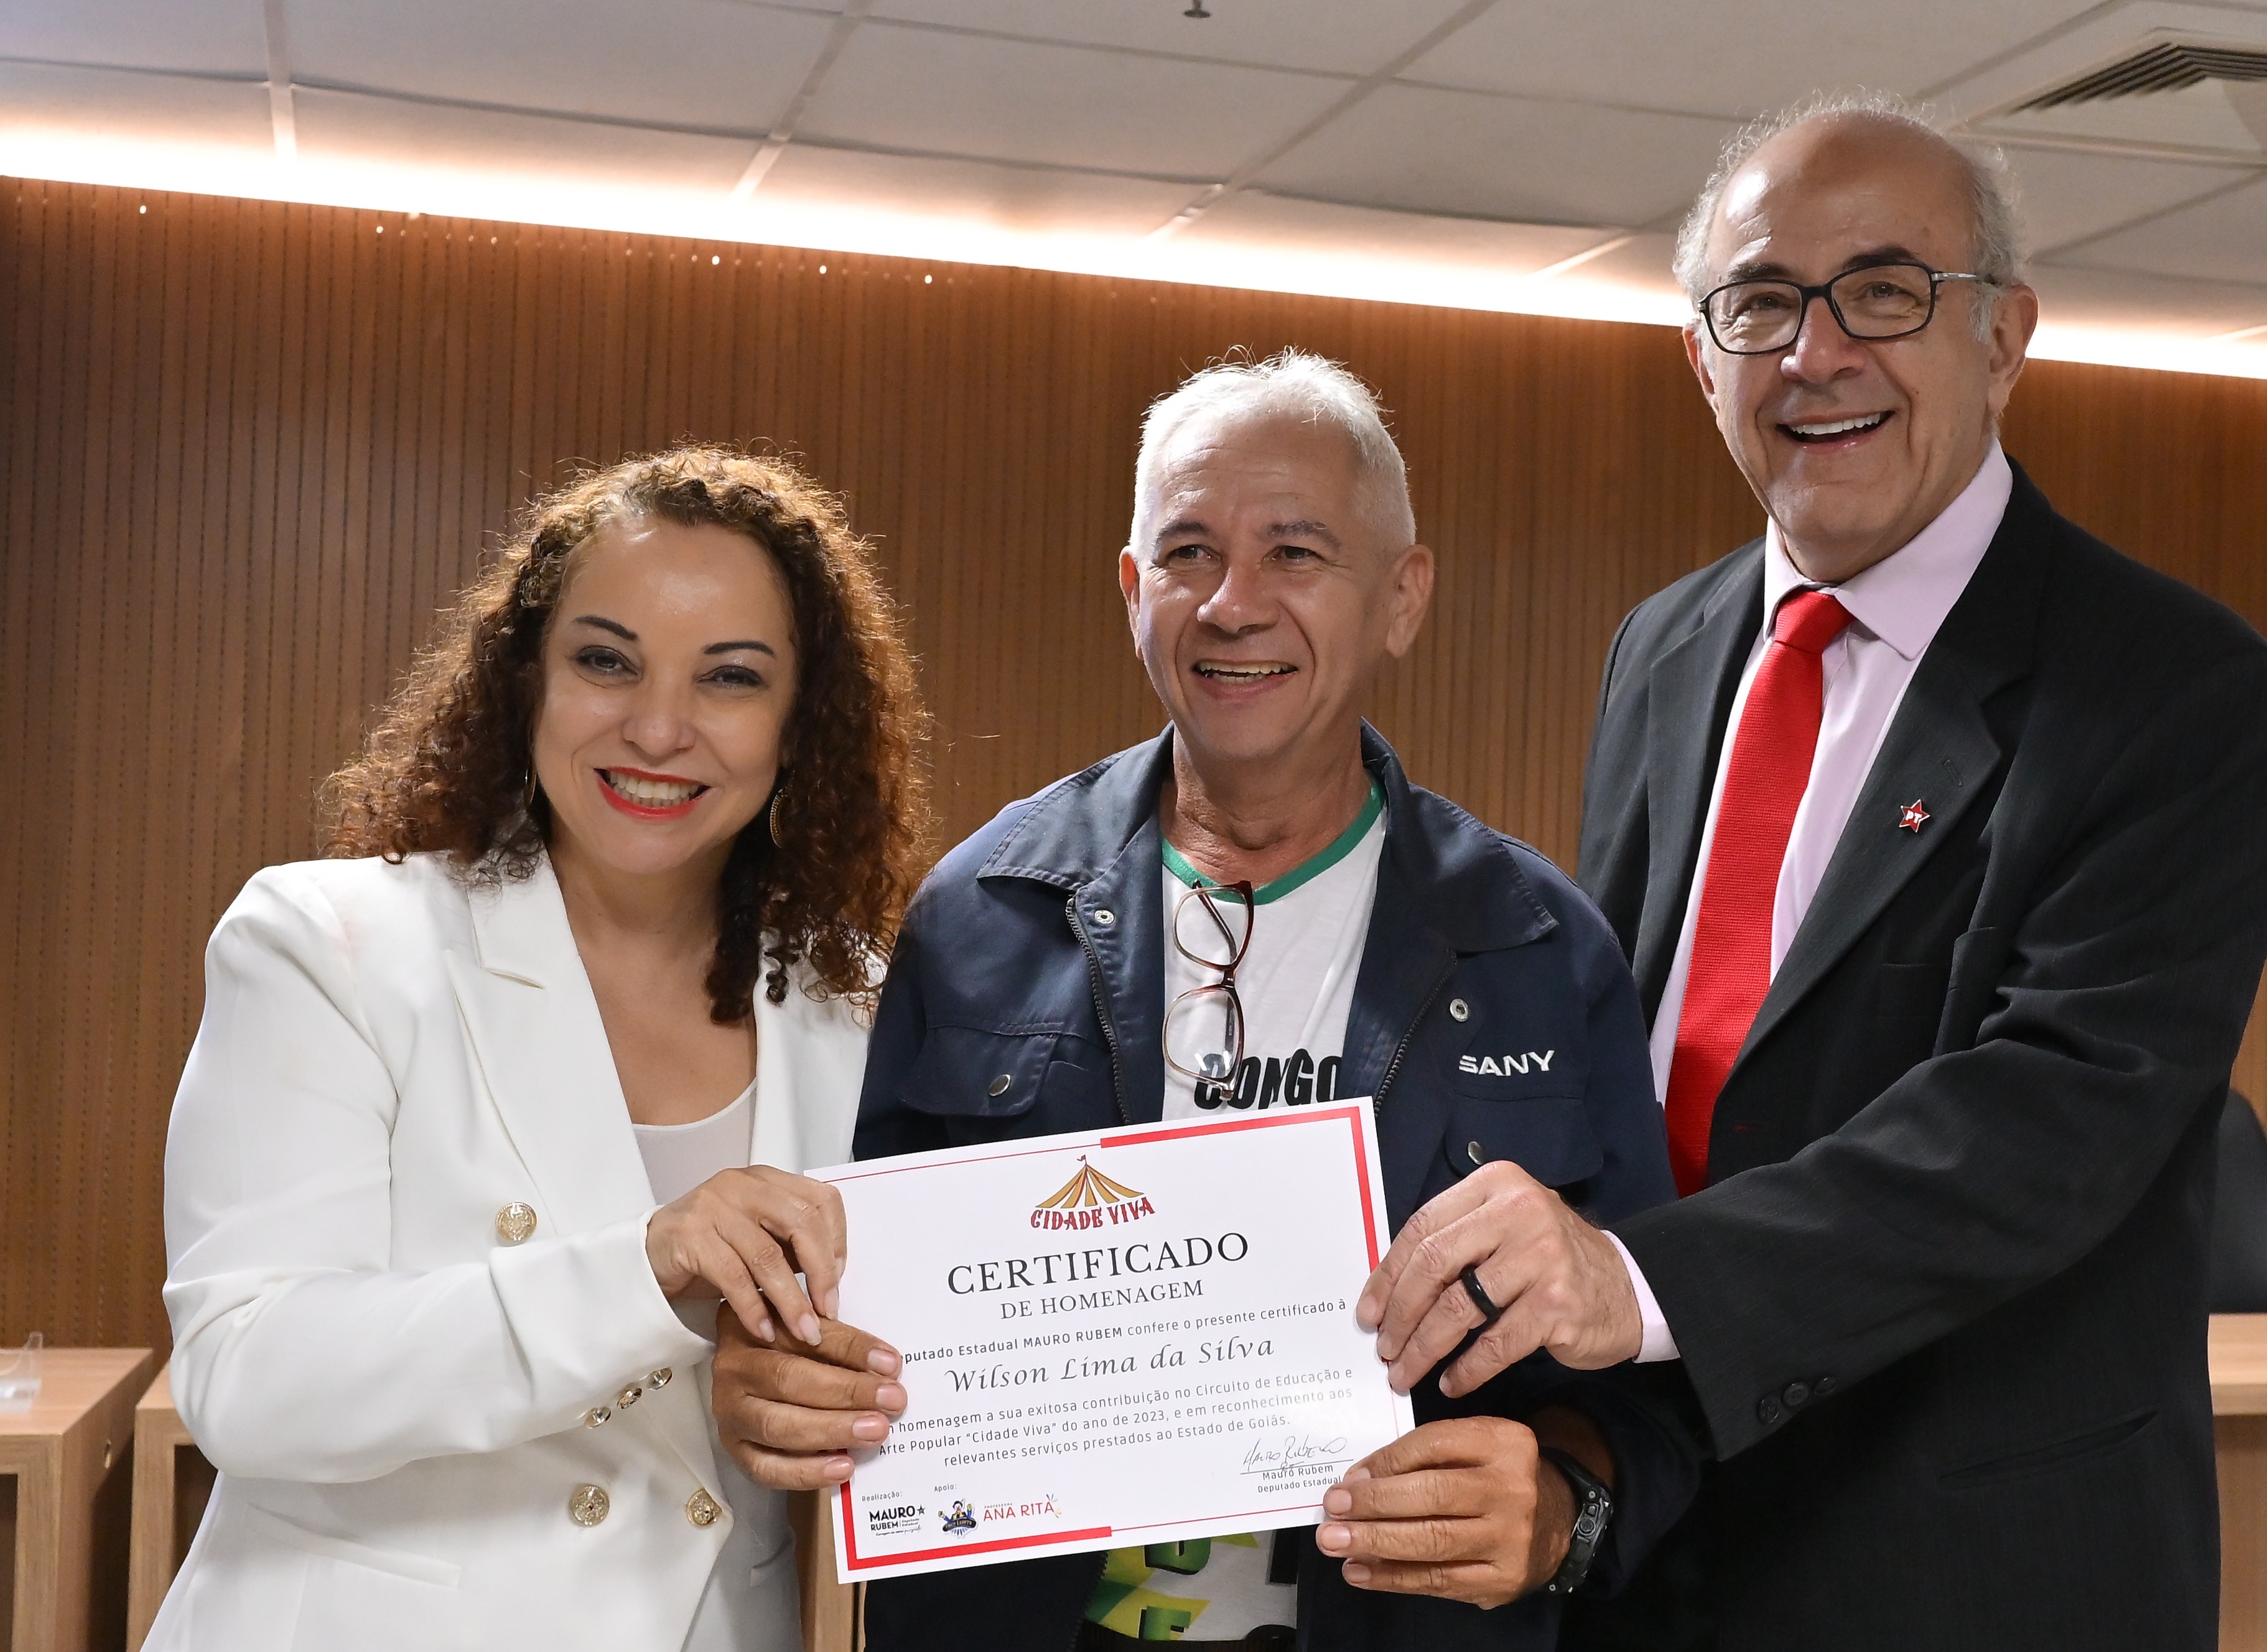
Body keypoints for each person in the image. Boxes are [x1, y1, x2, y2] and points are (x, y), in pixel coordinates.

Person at [1352, 95, 2267, 1650]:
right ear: (1701, 358)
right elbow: (1636, 1057)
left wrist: (1634, 1278)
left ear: (2004, 338)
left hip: (1972, 1569)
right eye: (1761, 303)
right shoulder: (1663, 647)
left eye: (1884, 291)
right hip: (1655, 1536)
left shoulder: (2179, 692)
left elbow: (2049, 1122)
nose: (1817, 353)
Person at [709, 351, 1697, 1651]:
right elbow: (863, 1318)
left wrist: (1564, 1505)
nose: (1234, 605)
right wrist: (788, 1375)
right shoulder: (982, 916)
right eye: (1188, 554)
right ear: (1134, 593)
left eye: (1296, 552)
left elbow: (1651, 1377)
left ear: (1402, 598)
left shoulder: (1537, 949)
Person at [151, 447, 932, 1652]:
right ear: (528, 680)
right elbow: (247, 1378)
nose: (658, 727)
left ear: (798, 725)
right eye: (606, 661)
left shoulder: (857, 1005)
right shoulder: (329, 944)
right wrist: (647, 1266)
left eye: (730, 678)